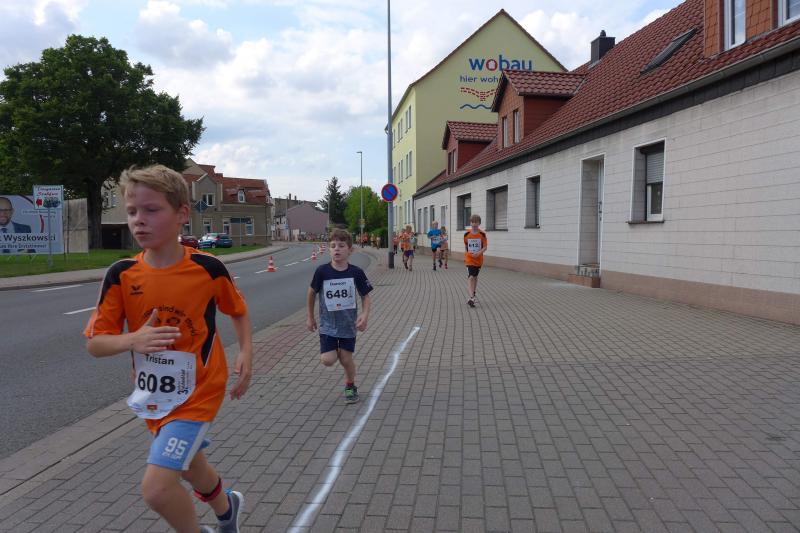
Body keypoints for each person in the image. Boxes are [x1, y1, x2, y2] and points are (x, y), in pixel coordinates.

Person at [84, 165, 252, 533]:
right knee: (191, 466)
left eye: (151, 210)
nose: (138, 220)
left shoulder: (208, 268)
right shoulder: (121, 274)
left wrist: (245, 353)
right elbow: (95, 343)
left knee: (158, 489)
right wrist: (133, 340)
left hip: (200, 391)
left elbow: (237, 310)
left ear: (181, 215)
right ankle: (228, 510)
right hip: (155, 397)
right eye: (132, 211)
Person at [307, 228, 373, 404]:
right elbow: (311, 293)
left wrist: (364, 315)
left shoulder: (356, 272)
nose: (336, 249)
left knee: (346, 359)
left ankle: (350, 385)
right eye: (333, 245)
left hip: (348, 325)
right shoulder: (322, 272)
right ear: (329, 249)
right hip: (328, 325)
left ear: (350, 250)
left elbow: (365, 296)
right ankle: (336, 349)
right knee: (327, 360)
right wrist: (310, 317)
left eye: (341, 246)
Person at [464, 214, 488, 308]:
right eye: (472, 222)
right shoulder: (466, 234)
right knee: (470, 277)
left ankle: (473, 292)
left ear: (479, 223)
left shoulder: (482, 234)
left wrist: (479, 253)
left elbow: (485, 247)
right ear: (470, 223)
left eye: (476, 222)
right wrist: (468, 254)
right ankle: (471, 297)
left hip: (478, 260)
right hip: (469, 259)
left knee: (475, 277)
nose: (474, 224)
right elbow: (466, 247)